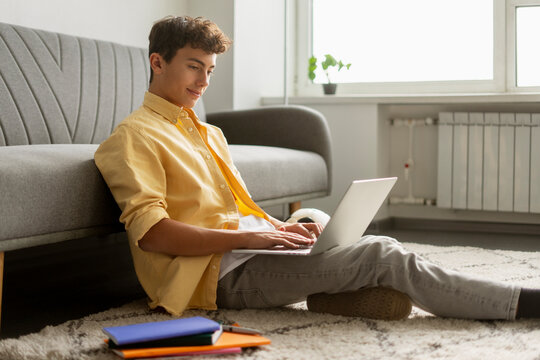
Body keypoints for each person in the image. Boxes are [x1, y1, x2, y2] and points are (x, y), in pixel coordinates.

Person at [94, 15, 540, 321]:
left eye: (210, 70)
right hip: (217, 278)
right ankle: (519, 302)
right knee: (381, 252)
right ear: (158, 62)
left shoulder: (208, 133)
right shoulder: (132, 137)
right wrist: (254, 237)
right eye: (195, 68)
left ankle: (333, 290)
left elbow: (231, 208)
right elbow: (152, 234)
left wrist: (277, 229)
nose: (204, 82)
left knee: (318, 221)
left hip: (249, 249)